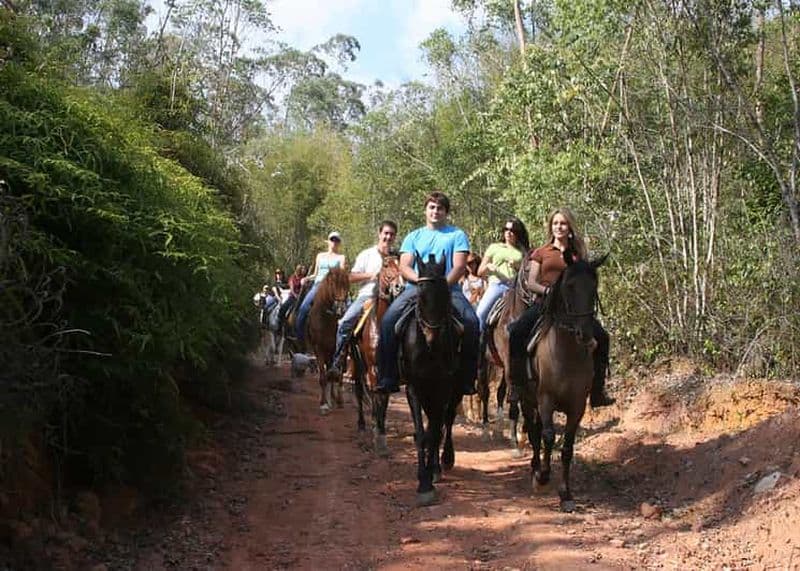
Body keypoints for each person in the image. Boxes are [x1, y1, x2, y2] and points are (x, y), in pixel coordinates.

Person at [507, 207, 614, 407]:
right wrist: (548, 292)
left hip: (573, 310)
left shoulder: (578, 254)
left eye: (563, 223)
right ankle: (517, 385)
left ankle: (598, 390)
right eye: (555, 223)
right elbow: (531, 283)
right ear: (551, 227)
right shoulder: (541, 252)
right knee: (516, 331)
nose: (559, 227)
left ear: (570, 227)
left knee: (602, 337)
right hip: (545, 305)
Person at [376, 191, 479, 396]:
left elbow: (458, 267)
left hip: (449, 290)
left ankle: (467, 378)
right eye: (432, 207)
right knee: (388, 321)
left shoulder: (456, 235)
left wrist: (440, 288)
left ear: (446, 212)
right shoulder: (413, 236)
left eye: (440, 208)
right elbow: (405, 266)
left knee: (472, 323)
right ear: (425, 210)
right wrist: (420, 282)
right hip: (416, 289)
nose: (435, 211)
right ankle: (388, 375)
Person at [328, 220, 399, 374]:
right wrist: (371, 275)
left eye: (392, 234)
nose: (388, 237)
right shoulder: (367, 254)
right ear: (379, 234)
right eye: (386, 233)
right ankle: (338, 361)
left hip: (393, 299)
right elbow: (351, 277)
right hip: (367, 296)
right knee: (344, 323)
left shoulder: (397, 257)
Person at [475, 217, 530, 331]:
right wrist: (488, 267)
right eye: (506, 229)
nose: (509, 232)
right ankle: (477, 343)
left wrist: (517, 266)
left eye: (513, 230)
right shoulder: (494, 247)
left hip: (516, 288)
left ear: (518, 233)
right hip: (497, 285)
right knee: (480, 313)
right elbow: (479, 271)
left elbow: (527, 272)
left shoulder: (523, 252)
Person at [295, 232, 348, 342]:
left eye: (337, 240)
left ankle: (347, 340)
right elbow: (315, 274)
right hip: (318, 284)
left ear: (339, 243)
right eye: (332, 239)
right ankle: (299, 338)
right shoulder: (320, 256)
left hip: (333, 287)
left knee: (347, 307)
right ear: (328, 241)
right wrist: (306, 279)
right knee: (303, 308)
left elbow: (341, 273)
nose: (334, 242)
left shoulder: (341, 257)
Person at [278, 264, 306, 329]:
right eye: (299, 269)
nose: (300, 271)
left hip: (301, 297)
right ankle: (281, 324)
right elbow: (292, 289)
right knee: (283, 308)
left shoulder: (303, 278)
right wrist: (295, 295)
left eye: (301, 269)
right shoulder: (292, 277)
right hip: (293, 297)